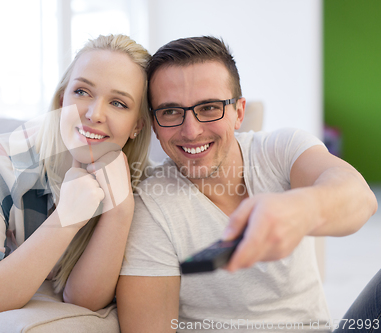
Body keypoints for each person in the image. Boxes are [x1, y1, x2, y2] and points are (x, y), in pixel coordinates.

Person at [116, 36, 379, 332]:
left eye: (209, 107)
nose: (191, 131)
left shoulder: (280, 149)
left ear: (239, 112)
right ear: (154, 122)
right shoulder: (151, 207)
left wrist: (301, 209)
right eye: (171, 111)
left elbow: (361, 199)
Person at [0, 34, 152, 321]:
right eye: (82, 92)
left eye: (118, 103)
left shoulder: (146, 183)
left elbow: (82, 300)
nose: (94, 114)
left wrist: (119, 211)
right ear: (61, 100)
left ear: (137, 126)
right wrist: (65, 218)